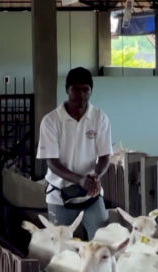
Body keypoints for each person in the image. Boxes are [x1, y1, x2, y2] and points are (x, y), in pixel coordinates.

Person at [36, 66, 112, 240]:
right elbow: (52, 163)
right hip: (60, 194)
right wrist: (79, 180)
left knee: (101, 243)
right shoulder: (51, 121)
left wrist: (96, 176)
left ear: (91, 91)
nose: (81, 94)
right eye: (75, 89)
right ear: (67, 90)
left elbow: (105, 155)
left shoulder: (100, 118)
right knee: (62, 247)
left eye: (86, 89)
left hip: (91, 193)